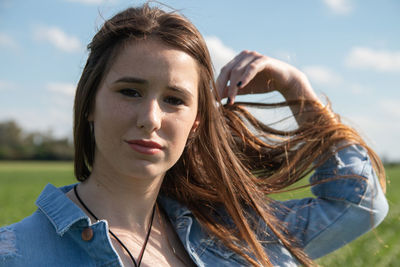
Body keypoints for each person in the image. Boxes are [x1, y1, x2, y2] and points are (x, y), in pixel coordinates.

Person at [0, 4, 388, 267]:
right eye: (129, 91)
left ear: (196, 122)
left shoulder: (233, 235)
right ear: (89, 103)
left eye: (174, 99)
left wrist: (297, 92)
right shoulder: (15, 254)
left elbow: (360, 204)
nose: (150, 118)